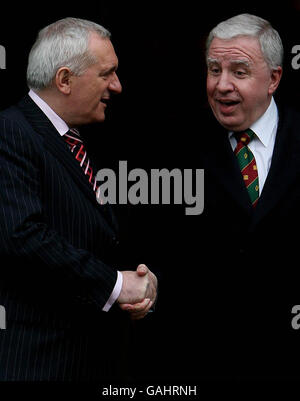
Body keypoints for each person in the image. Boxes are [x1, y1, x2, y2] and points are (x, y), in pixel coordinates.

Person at [0, 17, 157, 381]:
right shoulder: (10, 131)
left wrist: (141, 281)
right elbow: (21, 236)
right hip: (37, 362)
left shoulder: (79, 138)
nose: (117, 86)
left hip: (88, 359)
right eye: (107, 74)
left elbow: (101, 233)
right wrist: (116, 285)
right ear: (65, 79)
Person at [172, 13, 300, 379]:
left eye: (239, 72)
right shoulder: (179, 147)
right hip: (205, 358)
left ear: (274, 78)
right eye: (214, 70)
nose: (222, 85)